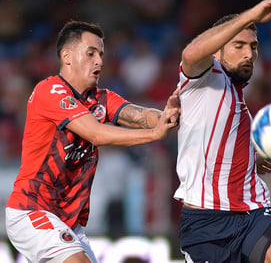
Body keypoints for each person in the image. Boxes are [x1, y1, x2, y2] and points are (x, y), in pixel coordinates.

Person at [5, 20, 180, 263]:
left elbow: (138, 114)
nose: (99, 61)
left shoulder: (102, 98)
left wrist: (168, 116)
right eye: (90, 53)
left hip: (69, 222)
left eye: (101, 54)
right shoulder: (50, 91)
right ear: (66, 56)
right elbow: (96, 134)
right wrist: (153, 135)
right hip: (32, 210)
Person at [173, 0, 271, 262]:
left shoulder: (237, 99)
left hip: (252, 212)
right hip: (205, 224)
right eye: (238, 45)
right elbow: (190, 54)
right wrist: (253, 14)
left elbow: (218, 138)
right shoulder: (206, 78)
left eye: (253, 46)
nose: (248, 54)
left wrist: (247, 160)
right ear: (216, 51)